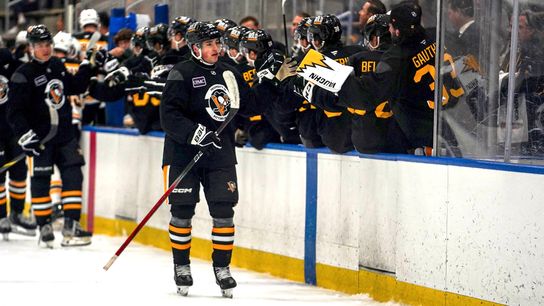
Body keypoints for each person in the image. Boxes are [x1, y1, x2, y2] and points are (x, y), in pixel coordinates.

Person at [160, 21, 263, 298]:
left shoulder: (230, 73)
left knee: (224, 213)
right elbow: (168, 116)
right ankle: (181, 267)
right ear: (195, 48)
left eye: (217, 43)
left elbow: (251, 107)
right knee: (181, 214)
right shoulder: (180, 74)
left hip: (220, 155)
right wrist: (195, 133)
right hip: (184, 155)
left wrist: (268, 80)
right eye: (209, 45)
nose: (216, 49)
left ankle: (222, 269)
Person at [6, 24, 109, 247]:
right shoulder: (22, 75)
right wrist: (25, 135)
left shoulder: (57, 65)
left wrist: (88, 66)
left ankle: (71, 224)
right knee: (41, 179)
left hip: (64, 135)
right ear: (31, 48)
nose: (45, 49)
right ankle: (44, 225)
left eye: (48, 44)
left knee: (73, 175)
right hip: (40, 140)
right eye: (40, 45)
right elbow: (14, 112)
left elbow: (75, 86)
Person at [0, 47, 37, 239]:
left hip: (14, 129)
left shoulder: (15, 66)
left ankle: (16, 213)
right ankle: (1, 217)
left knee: (19, 173)